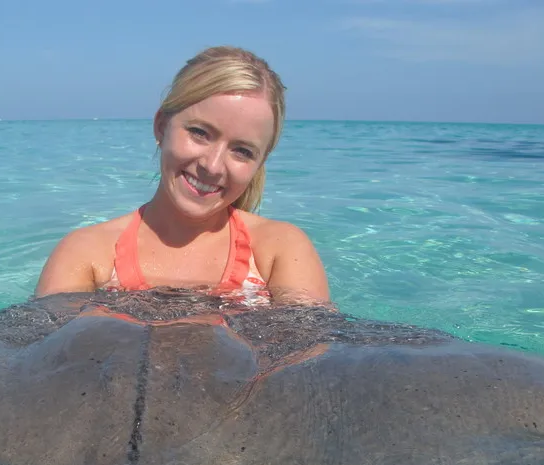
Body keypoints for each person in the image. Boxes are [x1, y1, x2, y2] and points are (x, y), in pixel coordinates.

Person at [34, 46, 331, 306]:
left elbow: (314, 350)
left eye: (242, 151)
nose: (213, 166)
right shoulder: (88, 254)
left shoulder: (279, 250)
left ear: (259, 162)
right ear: (161, 126)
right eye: (200, 133)